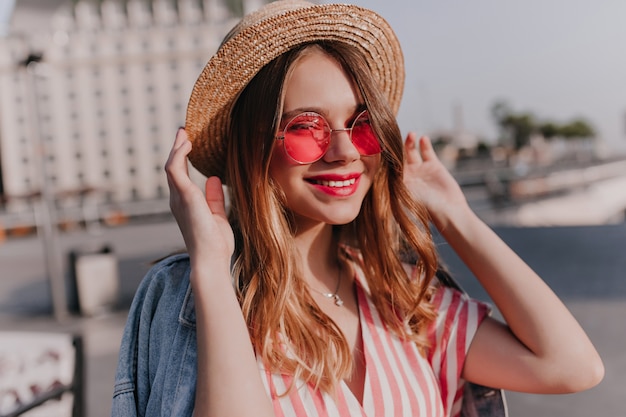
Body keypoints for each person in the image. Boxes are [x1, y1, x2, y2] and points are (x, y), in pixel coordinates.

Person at [112, 1, 604, 416]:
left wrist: (455, 215)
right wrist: (212, 269)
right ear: (250, 147)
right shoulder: (195, 297)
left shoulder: (399, 297)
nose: (345, 151)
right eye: (307, 127)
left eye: (362, 124)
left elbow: (570, 366)